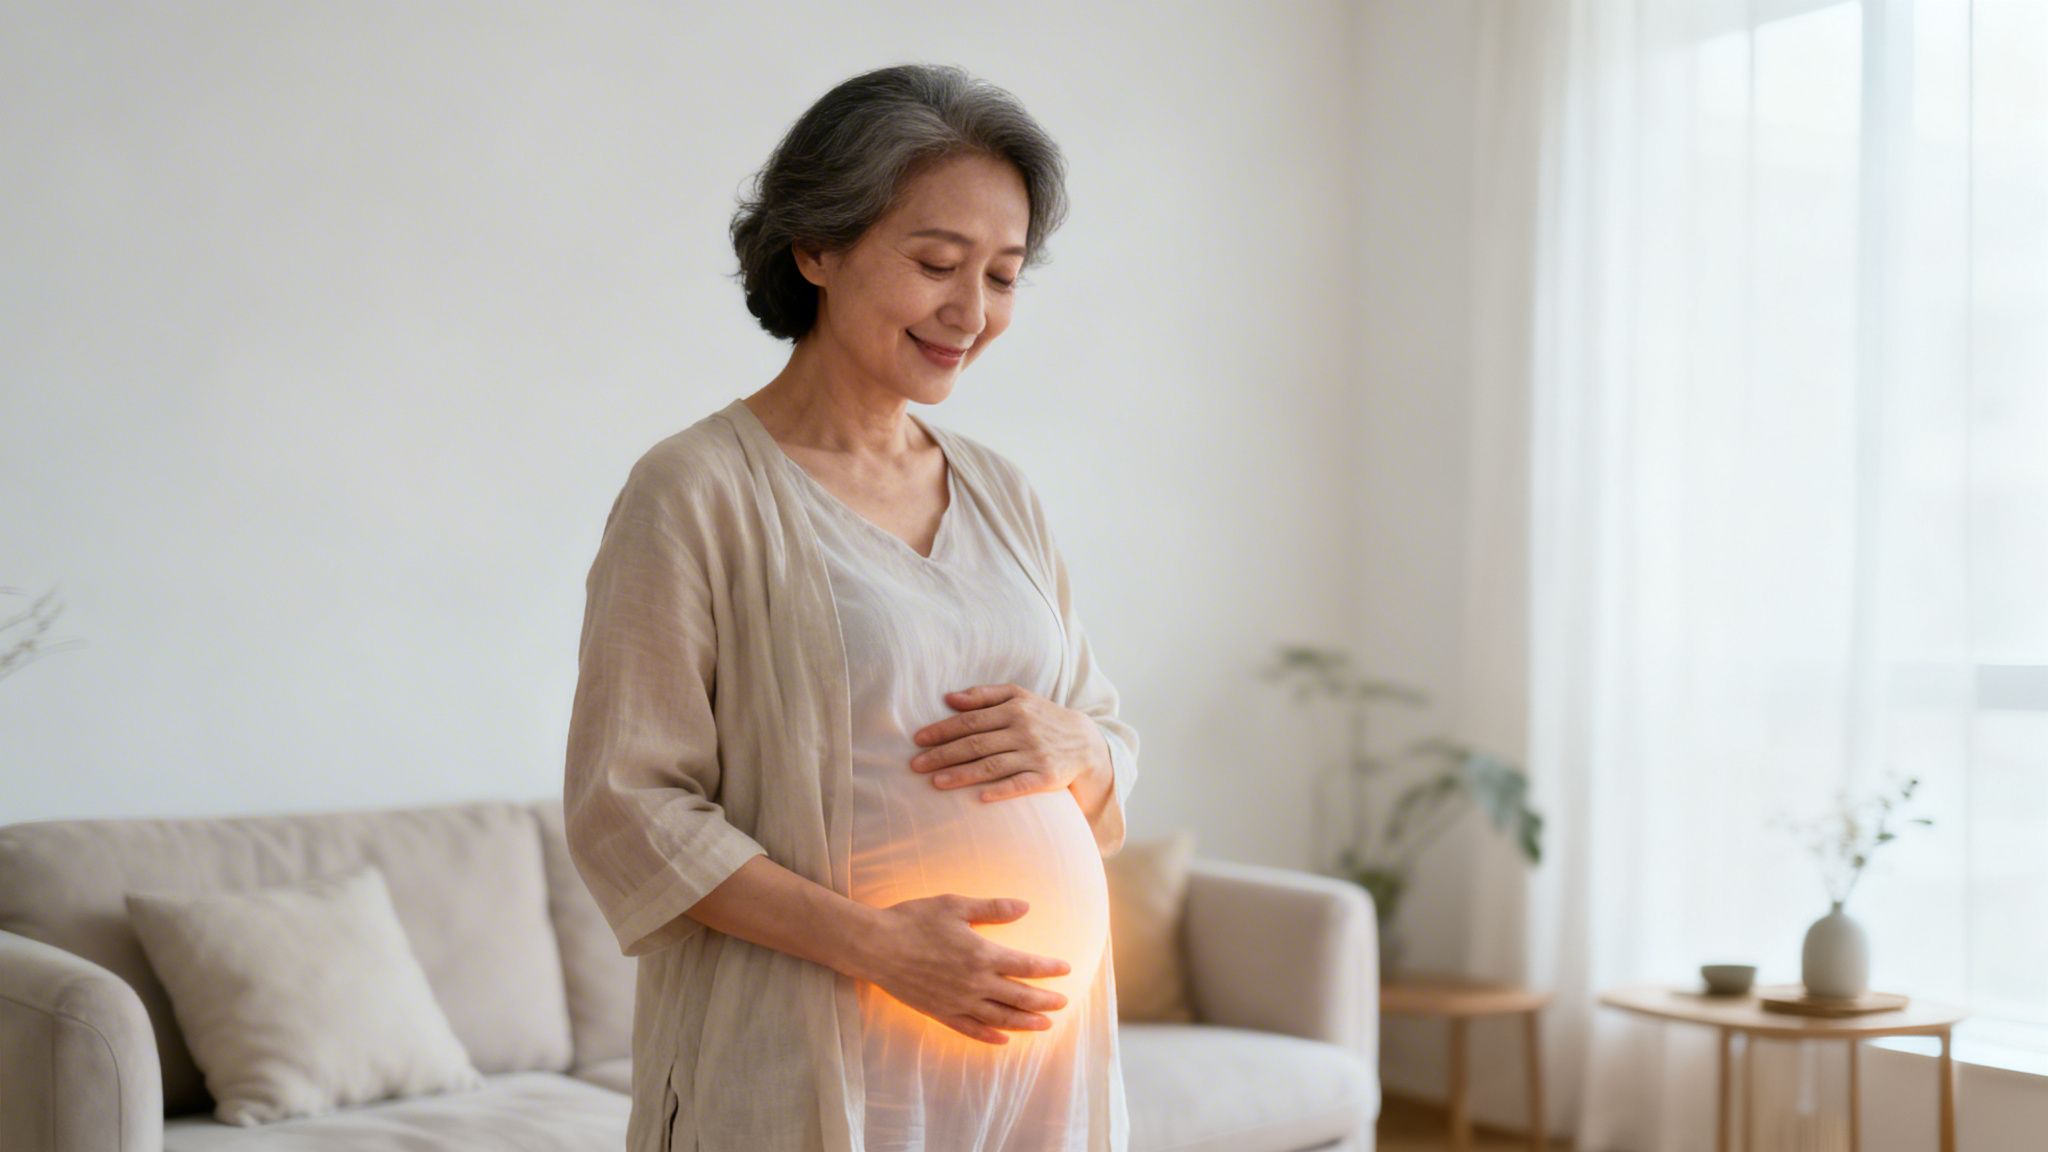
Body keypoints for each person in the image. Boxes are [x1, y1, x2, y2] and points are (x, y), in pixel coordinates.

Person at [563, 64, 1140, 1152]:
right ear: (815, 248)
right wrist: (880, 948)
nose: (971, 314)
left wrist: (1081, 743)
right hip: (823, 1058)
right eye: (935, 264)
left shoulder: (1002, 492)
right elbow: (629, 807)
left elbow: (1101, 741)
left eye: (1004, 276)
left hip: (1038, 1069)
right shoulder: (695, 490)